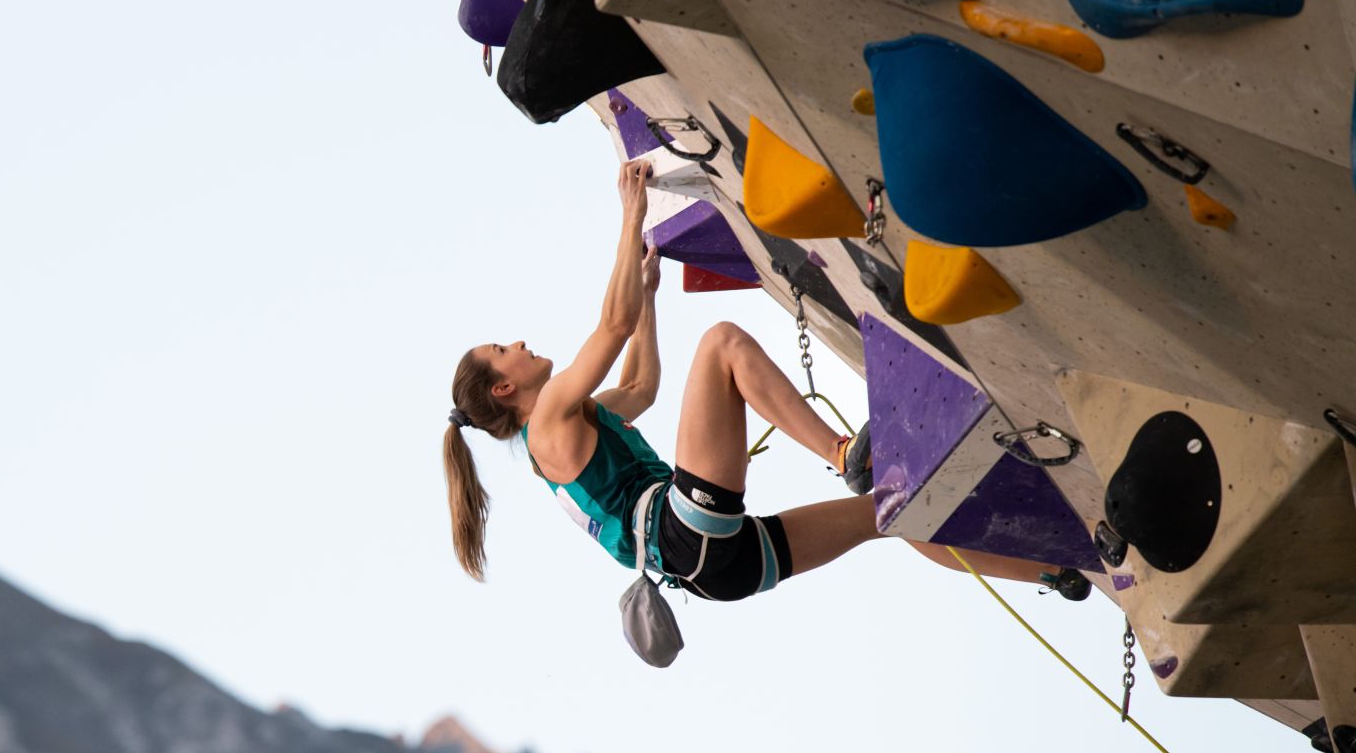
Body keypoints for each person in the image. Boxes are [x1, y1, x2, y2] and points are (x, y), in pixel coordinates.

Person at [440, 160, 1092, 602]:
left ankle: (1055, 569)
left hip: (714, 571)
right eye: (503, 350)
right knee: (722, 342)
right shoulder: (548, 420)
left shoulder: (561, 436)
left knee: (888, 513)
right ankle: (841, 451)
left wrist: (649, 295)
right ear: (503, 389)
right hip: (688, 531)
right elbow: (612, 326)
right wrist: (631, 214)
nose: (518, 344)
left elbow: (640, 387)